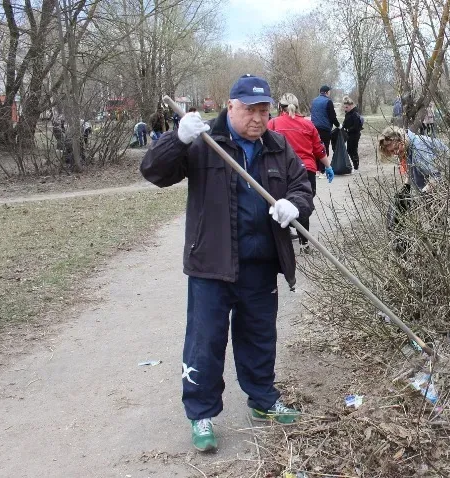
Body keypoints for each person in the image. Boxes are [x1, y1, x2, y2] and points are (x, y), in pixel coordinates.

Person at [140, 74, 314, 453]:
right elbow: (153, 172)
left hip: (260, 262)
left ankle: (263, 400)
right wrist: (177, 139)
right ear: (230, 106)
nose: (258, 118)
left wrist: (294, 205)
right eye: (249, 109)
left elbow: (301, 185)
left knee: (259, 336)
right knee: (205, 341)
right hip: (212, 263)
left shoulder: (277, 146)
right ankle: (201, 414)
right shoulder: (204, 142)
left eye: (264, 110)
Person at [268, 93, 333, 253]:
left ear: (280, 107)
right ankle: (305, 243)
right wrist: (328, 167)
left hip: (282, 171)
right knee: (302, 204)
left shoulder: (273, 124)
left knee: (280, 203)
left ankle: (284, 239)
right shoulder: (308, 125)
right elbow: (319, 149)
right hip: (306, 169)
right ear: (297, 107)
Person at [310, 85, 340, 157]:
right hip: (324, 129)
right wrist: (338, 125)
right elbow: (332, 117)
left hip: (313, 129)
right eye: (329, 91)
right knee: (324, 149)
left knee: (316, 148)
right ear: (327, 92)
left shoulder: (314, 101)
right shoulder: (328, 101)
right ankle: (324, 167)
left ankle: (317, 166)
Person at [341, 96, 363, 170]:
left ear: (351, 106)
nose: (345, 109)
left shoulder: (355, 113)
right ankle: (355, 165)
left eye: (346, 107)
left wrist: (348, 129)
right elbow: (346, 121)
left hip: (355, 134)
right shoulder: (349, 113)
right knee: (350, 150)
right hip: (350, 133)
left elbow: (356, 126)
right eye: (345, 107)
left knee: (353, 149)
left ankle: (356, 166)